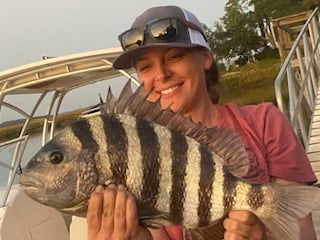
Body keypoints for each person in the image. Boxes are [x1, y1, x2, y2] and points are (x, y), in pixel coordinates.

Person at [86, 5, 318, 240]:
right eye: (146, 67)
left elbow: (304, 234)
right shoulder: (139, 152)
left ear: (205, 57)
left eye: (174, 56)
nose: (161, 74)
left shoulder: (263, 122)